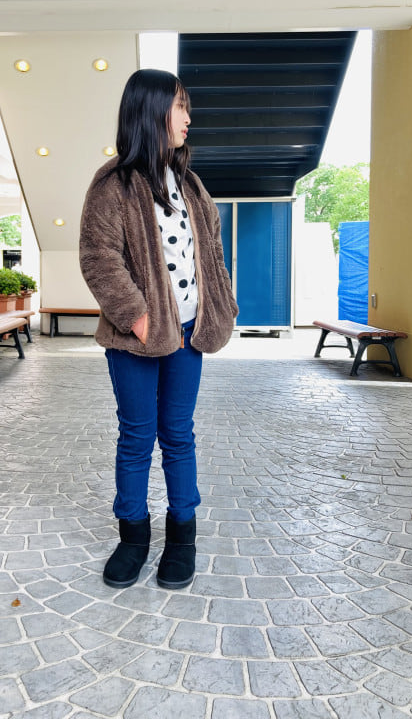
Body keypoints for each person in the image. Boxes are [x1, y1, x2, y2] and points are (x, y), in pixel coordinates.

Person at [79, 68, 238, 590]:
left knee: (178, 435)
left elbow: (210, 250)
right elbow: (99, 256)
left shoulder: (189, 183)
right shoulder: (114, 184)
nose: (188, 117)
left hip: (190, 334)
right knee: (136, 437)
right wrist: (139, 318)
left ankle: (182, 538)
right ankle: (132, 538)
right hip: (137, 339)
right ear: (151, 112)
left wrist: (222, 304)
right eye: (180, 106)